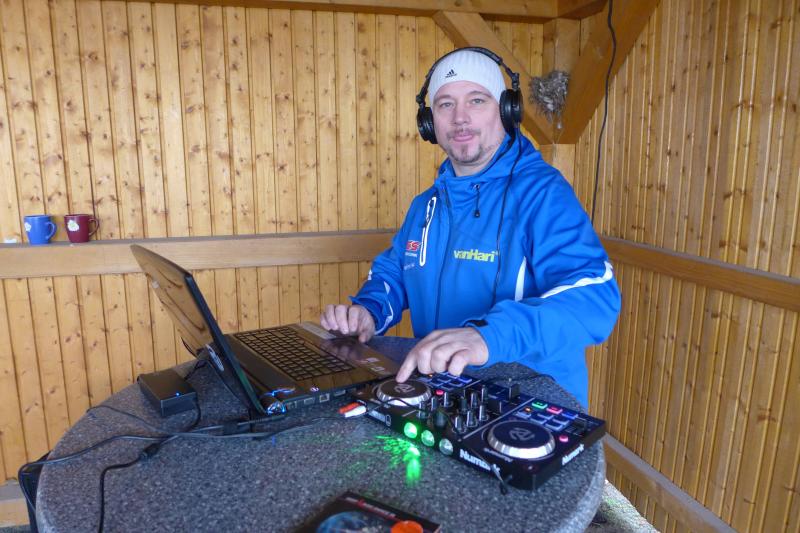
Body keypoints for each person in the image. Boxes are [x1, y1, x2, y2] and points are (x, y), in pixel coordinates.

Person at [320, 47, 620, 408]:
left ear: (506, 111)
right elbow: (395, 273)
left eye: (476, 100)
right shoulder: (426, 205)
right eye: (445, 104)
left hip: (532, 402)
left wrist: (488, 337)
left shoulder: (543, 193)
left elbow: (595, 297)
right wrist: (368, 311)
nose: (460, 118)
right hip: (447, 392)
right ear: (429, 122)